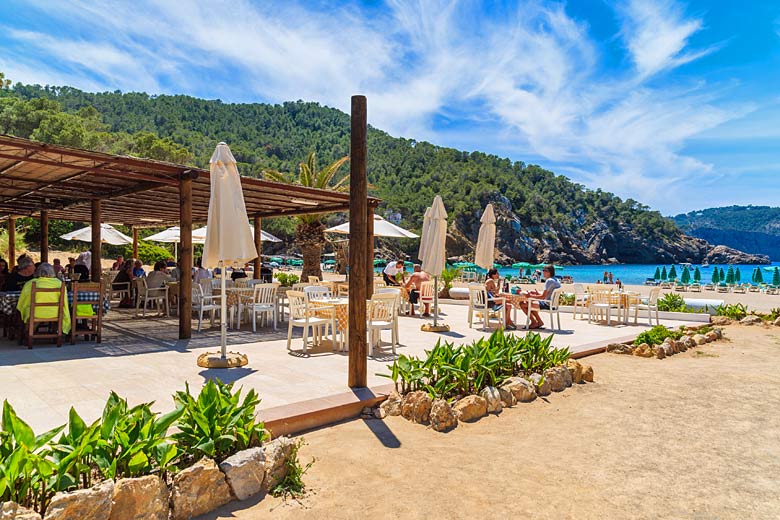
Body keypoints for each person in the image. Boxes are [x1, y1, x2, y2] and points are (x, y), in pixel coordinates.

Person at [17, 263, 71, 335]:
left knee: (27, 310)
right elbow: (64, 301)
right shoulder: (60, 284)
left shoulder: (30, 283)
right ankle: (57, 333)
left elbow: (23, 300)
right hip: (56, 313)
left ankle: (27, 333)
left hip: (35, 312)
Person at [520, 264, 561, 329]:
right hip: (552, 304)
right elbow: (548, 293)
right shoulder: (556, 279)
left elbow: (542, 297)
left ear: (548, 272)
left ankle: (534, 322)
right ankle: (539, 322)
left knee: (522, 304)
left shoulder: (549, 281)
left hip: (547, 304)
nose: (542, 272)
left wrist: (530, 295)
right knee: (529, 303)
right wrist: (537, 293)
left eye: (544, 271)